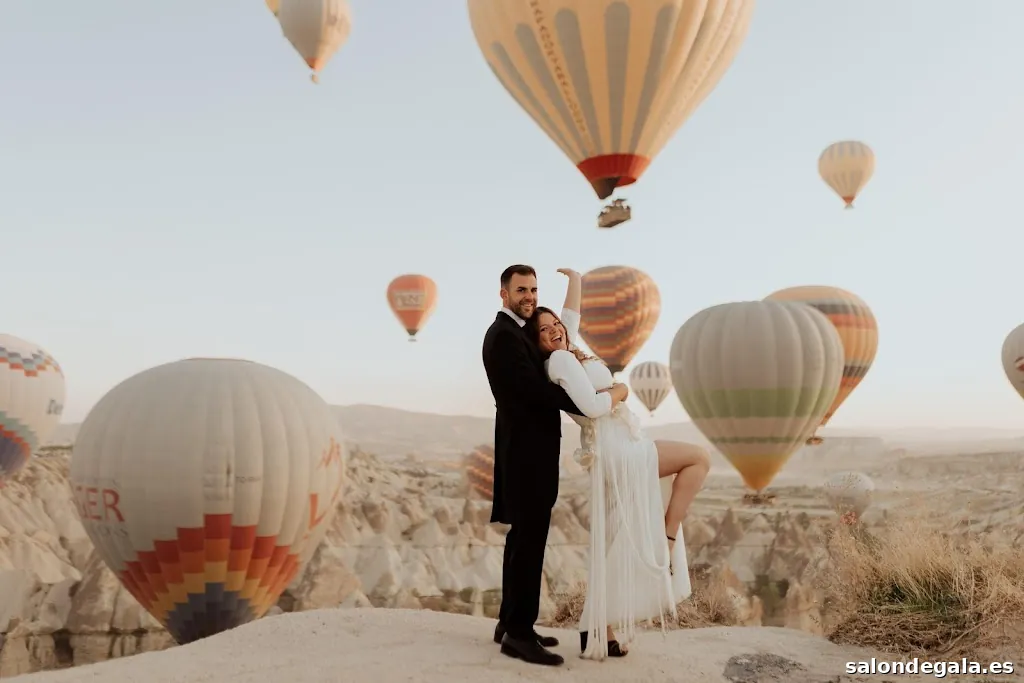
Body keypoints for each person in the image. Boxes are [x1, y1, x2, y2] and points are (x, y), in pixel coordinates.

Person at [523, 268, 712, 661]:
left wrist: (575, 280)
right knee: (698, 458)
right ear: (537, 342)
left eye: (555, 324)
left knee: (614, 541)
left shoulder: (565, 348)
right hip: (620, 450)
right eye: (545, 330)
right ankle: (668, 534)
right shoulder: (558, 361)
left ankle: (598, 627)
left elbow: (568, 318)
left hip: (619, 447)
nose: (556, 330)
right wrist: (622, 390)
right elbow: (591, 407)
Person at [481, 264, 629, 667]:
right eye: (521, 290)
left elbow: (562, 331)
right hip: (527, 455)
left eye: (533, 288)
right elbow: (534, 391)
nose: (529, 295)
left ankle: (509, 623)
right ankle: (519, 635)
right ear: (504, 294)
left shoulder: (523, 332)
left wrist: (575, 283)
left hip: (530, 451)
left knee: (521, 542)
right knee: (529, 544)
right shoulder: (503, 337)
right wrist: (590, 402)